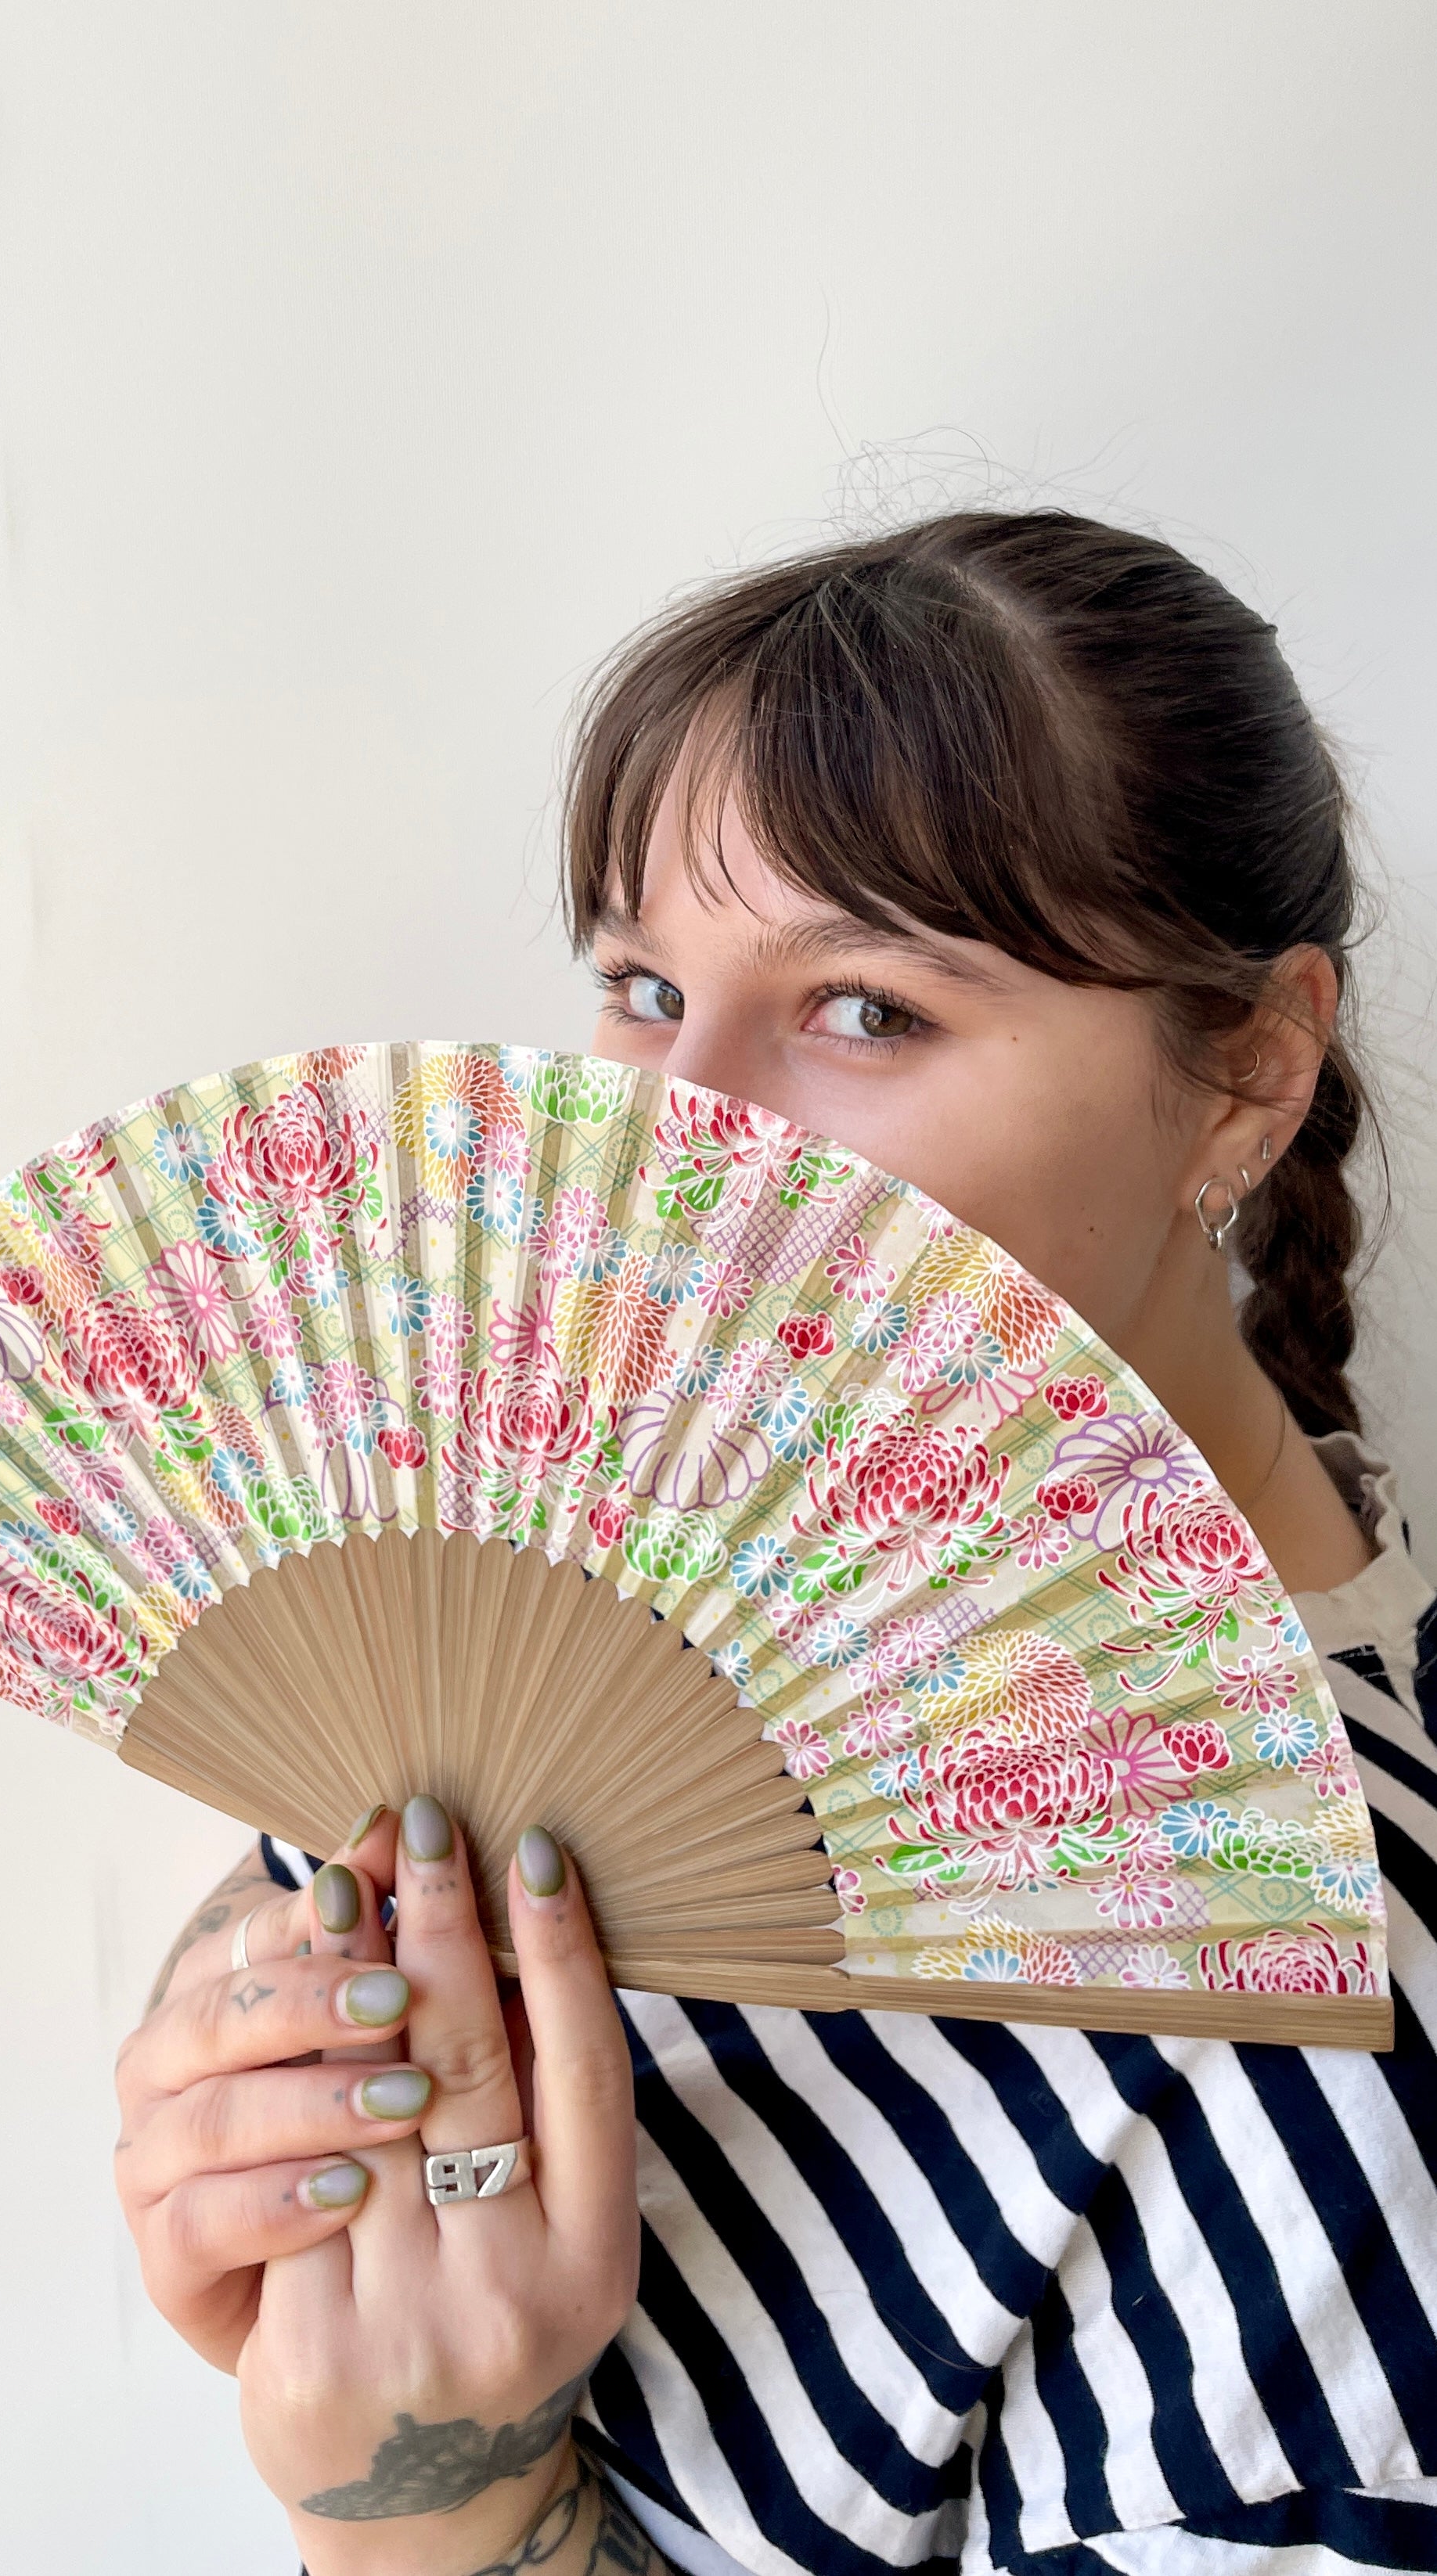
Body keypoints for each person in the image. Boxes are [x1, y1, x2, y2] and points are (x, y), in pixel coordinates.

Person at [113, 513, 1437, 2575]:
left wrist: (429, 2514)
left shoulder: (1333, 2047)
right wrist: (260, 2123)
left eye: (867, 1011)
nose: (669, 1132)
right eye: (645, 987)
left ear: (1248, 1076)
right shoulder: (599, 1587)